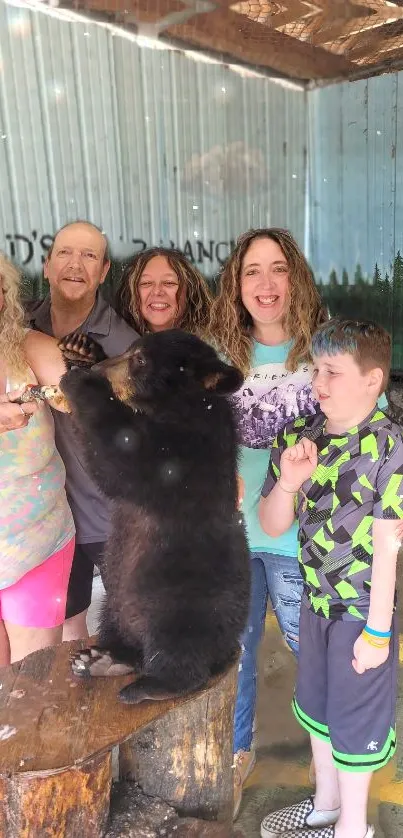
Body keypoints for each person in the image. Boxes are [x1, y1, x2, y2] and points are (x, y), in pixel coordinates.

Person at [259, 318, 402, 838]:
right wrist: (290, 485)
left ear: (372, 379)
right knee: (315, 704)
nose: (318, 383)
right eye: (316, 369)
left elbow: (389, 543)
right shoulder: (300, 435)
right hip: (313, 600)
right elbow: (272, 522)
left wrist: (380, 632)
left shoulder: (390, 446)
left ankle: (353, 827)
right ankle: (324, 805)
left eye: (333, 372)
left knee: (355, 717)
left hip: (363, 609)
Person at [209, 228, 326, 816]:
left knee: (318, 652)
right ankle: (235, 761)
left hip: (299, 541)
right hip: (233, 539)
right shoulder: (219, 358)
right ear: (237, 284)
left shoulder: (323, 354)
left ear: (294, 279)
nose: (265, 283)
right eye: (252, 271)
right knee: (236, 654)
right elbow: (192, 436)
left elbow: (365, 436)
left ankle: (332, 774)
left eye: (277, 269)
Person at [27, 221, 138, 641]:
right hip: (46, 517)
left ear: (104, 270)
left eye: (89, 256)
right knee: (65, 629)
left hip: (110, 516)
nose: (75, 265)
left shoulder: (123, 345)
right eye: (65, 253)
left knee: (131, 632)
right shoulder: (19, 328)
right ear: (47, 264)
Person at [0, 252, 75, 664]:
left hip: (36, 542)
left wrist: (81, 397)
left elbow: (73, 392)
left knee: (32, 688)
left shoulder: (28, 346)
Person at [115, 246, 212, 336]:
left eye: (169, 283)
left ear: (190, 291)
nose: (157, 291)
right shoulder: (114, 347)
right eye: (146, 283)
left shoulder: (212, 349)